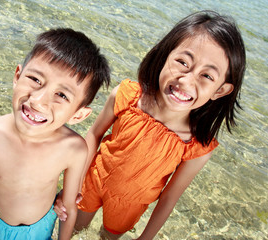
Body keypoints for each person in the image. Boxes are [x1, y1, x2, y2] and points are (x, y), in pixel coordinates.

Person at [54, 10, 246, 239]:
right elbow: (94, 135)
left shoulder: (195, 146)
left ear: (221, 90)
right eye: (183, 62)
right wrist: (73, 185)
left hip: (129, 206)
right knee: (75, 227)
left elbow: (168, 198)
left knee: (108, 236)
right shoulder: (127, 96)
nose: (186, 80)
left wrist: (146, 237)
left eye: (207, 76)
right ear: (164, 55)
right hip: (92, 180)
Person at [0, 28, 110, 240]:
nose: (38, 100)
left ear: (78, 114)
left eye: (61, 95)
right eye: (35, 79)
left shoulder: (74, 149)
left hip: (39, 231)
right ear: (17, 76)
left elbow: (68, 208)